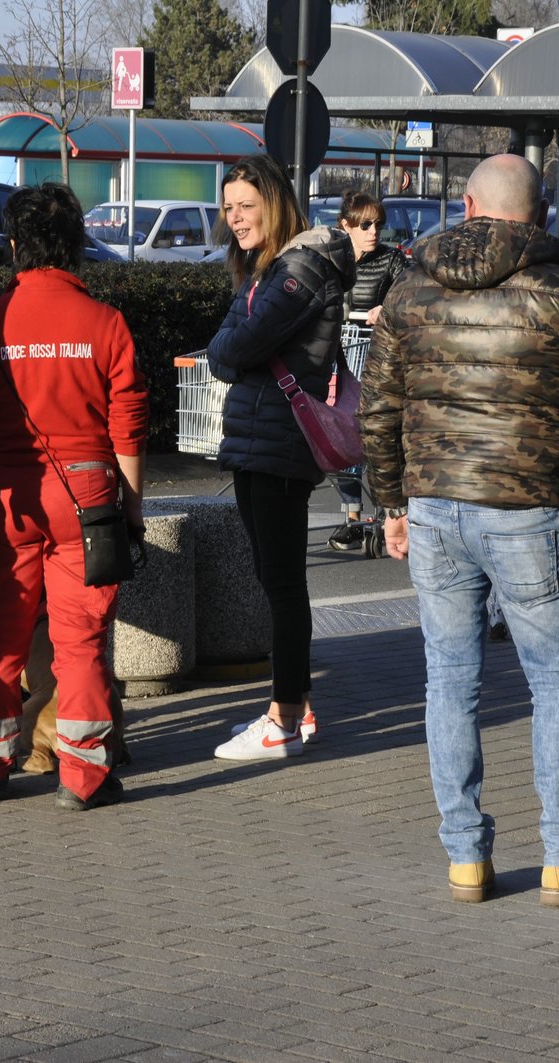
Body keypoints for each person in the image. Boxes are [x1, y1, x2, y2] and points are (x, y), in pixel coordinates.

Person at [359, 153, 559, 906]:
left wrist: (389, 505)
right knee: (555, 680)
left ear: (467, 203)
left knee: (448, 679)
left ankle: (465, 858)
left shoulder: (410, 286)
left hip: (432, 505)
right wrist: (554, 424)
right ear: (541, 214)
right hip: (523, 507)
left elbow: (377, 407)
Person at [0, 182, 148, 812]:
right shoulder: (106, 323)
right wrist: (130, 510)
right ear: (78, 245)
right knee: (80, 642)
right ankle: (83, 776)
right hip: (86, 497)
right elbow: (128, 431)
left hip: (3, 498)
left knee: (0, 639)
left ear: (13, 246)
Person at [206, 153, 354, 761]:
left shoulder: (298, 269)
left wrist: (227, 350)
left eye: (247, 206)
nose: (235, 219)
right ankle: (294, 704)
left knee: (284, 584)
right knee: (276, 580)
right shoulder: (267, 268)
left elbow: (231, 345)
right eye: (229, 208)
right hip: (260, 440)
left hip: (280, 442)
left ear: (275, 202)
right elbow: (226, 342)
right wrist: (227, 348)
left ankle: (284, 719)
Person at [327, 190, 408, 553]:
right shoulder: (332, 260)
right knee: (339, 433)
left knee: (370, 434)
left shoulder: (391, 262)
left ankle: (378, 515)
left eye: (378, 224)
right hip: (336, 354)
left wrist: (385, 308)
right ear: (346, 225)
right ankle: (353, 518)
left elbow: (410, 293)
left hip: (373, 357)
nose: (373, 231)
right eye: (365, 224)